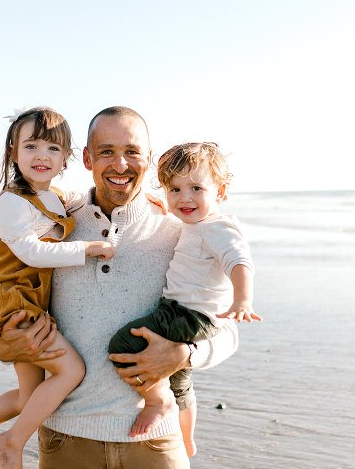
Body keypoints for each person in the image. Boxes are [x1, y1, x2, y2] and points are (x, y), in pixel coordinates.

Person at [0, 106, 240, 468]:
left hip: (156, 440)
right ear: (88, 158)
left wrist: (188, 354)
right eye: (107, 151)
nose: (120, 164)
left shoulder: (183, 230)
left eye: (132, 152)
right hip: (66, 439)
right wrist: (1, 346)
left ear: (149, 160)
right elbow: (5, 297)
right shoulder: (52, 229)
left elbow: (227, 327)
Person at [0, 107, 115, 469]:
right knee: (71, 371)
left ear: (67, 158)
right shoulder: (11, 201)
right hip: (7, 301)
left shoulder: (53, 195)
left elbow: (86, 199)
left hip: (29, 302)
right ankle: (12, 442)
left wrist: (148, 200)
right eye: (32, 146)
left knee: (31, 398)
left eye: (53, 149)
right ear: (13, 151)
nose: (42, 155)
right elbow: (31, 251)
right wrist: (85, 249)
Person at [108, 141, 260, 457]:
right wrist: (159, 206)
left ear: (220, 192)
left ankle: (155, 401)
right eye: (174, 190)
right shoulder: (197, 224)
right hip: (187, 313)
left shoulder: (218, 228)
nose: (184, 198)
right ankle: (187, 439)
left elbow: (240, 261)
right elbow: (183, 219)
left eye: (195, 188)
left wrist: (243, 300)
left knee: (123, 344)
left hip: (190, 315)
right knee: (180, 381)